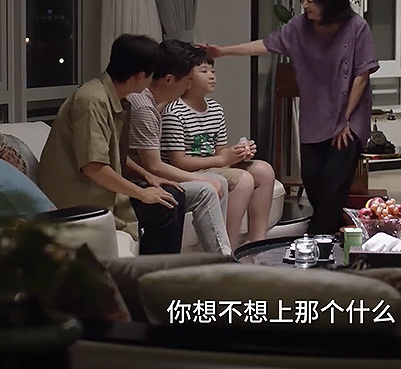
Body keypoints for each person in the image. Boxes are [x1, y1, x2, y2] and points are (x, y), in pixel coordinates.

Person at [202, 0, 379, 235]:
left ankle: (318, 242)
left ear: (329, 0)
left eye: (311, 0)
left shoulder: (356, 27)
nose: (305, 5)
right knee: (313, 180)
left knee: (333, 186)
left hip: (348, 121)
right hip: (315, 118)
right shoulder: (299, 27)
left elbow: (361, 75)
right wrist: (223, 52)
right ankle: (331, 241)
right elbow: (266, 44)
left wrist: (345, 119)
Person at [39, 34, 187, 255]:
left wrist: (148, 176)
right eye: (151, 76)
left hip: (99, 189)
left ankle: (160, 270)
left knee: (173, 195)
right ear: (139, 76)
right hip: (78, 199)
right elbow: (93, 166)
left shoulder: (114, 99)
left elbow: (112, 154)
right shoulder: (92, 100)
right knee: (164, 207)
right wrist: (141, 193)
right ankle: (152, 274)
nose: (150, 83)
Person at [126, 39, 232, 255]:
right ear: (168, 79)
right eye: (187, 81)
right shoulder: (144, 108)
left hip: (147, 177)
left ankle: (215, 255)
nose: (188, 87)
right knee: (206, 189)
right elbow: (155, 167)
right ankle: (223, 259)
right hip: (139, 184)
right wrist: (202, 179)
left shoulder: (154, 102)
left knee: (218, 182)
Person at [161, 57, 274, 248]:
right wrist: (222, 159)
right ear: (187, 78)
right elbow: (178, 161)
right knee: (244, 179)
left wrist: (238, 153)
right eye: (204, 71)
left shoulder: (215, 109)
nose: (212, 76)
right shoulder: (175, 112)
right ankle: (229, 244)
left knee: (264, 170)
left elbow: (220, 150)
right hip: (189, 171)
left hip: (213, 165)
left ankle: (257, 240)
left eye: (213, 71)